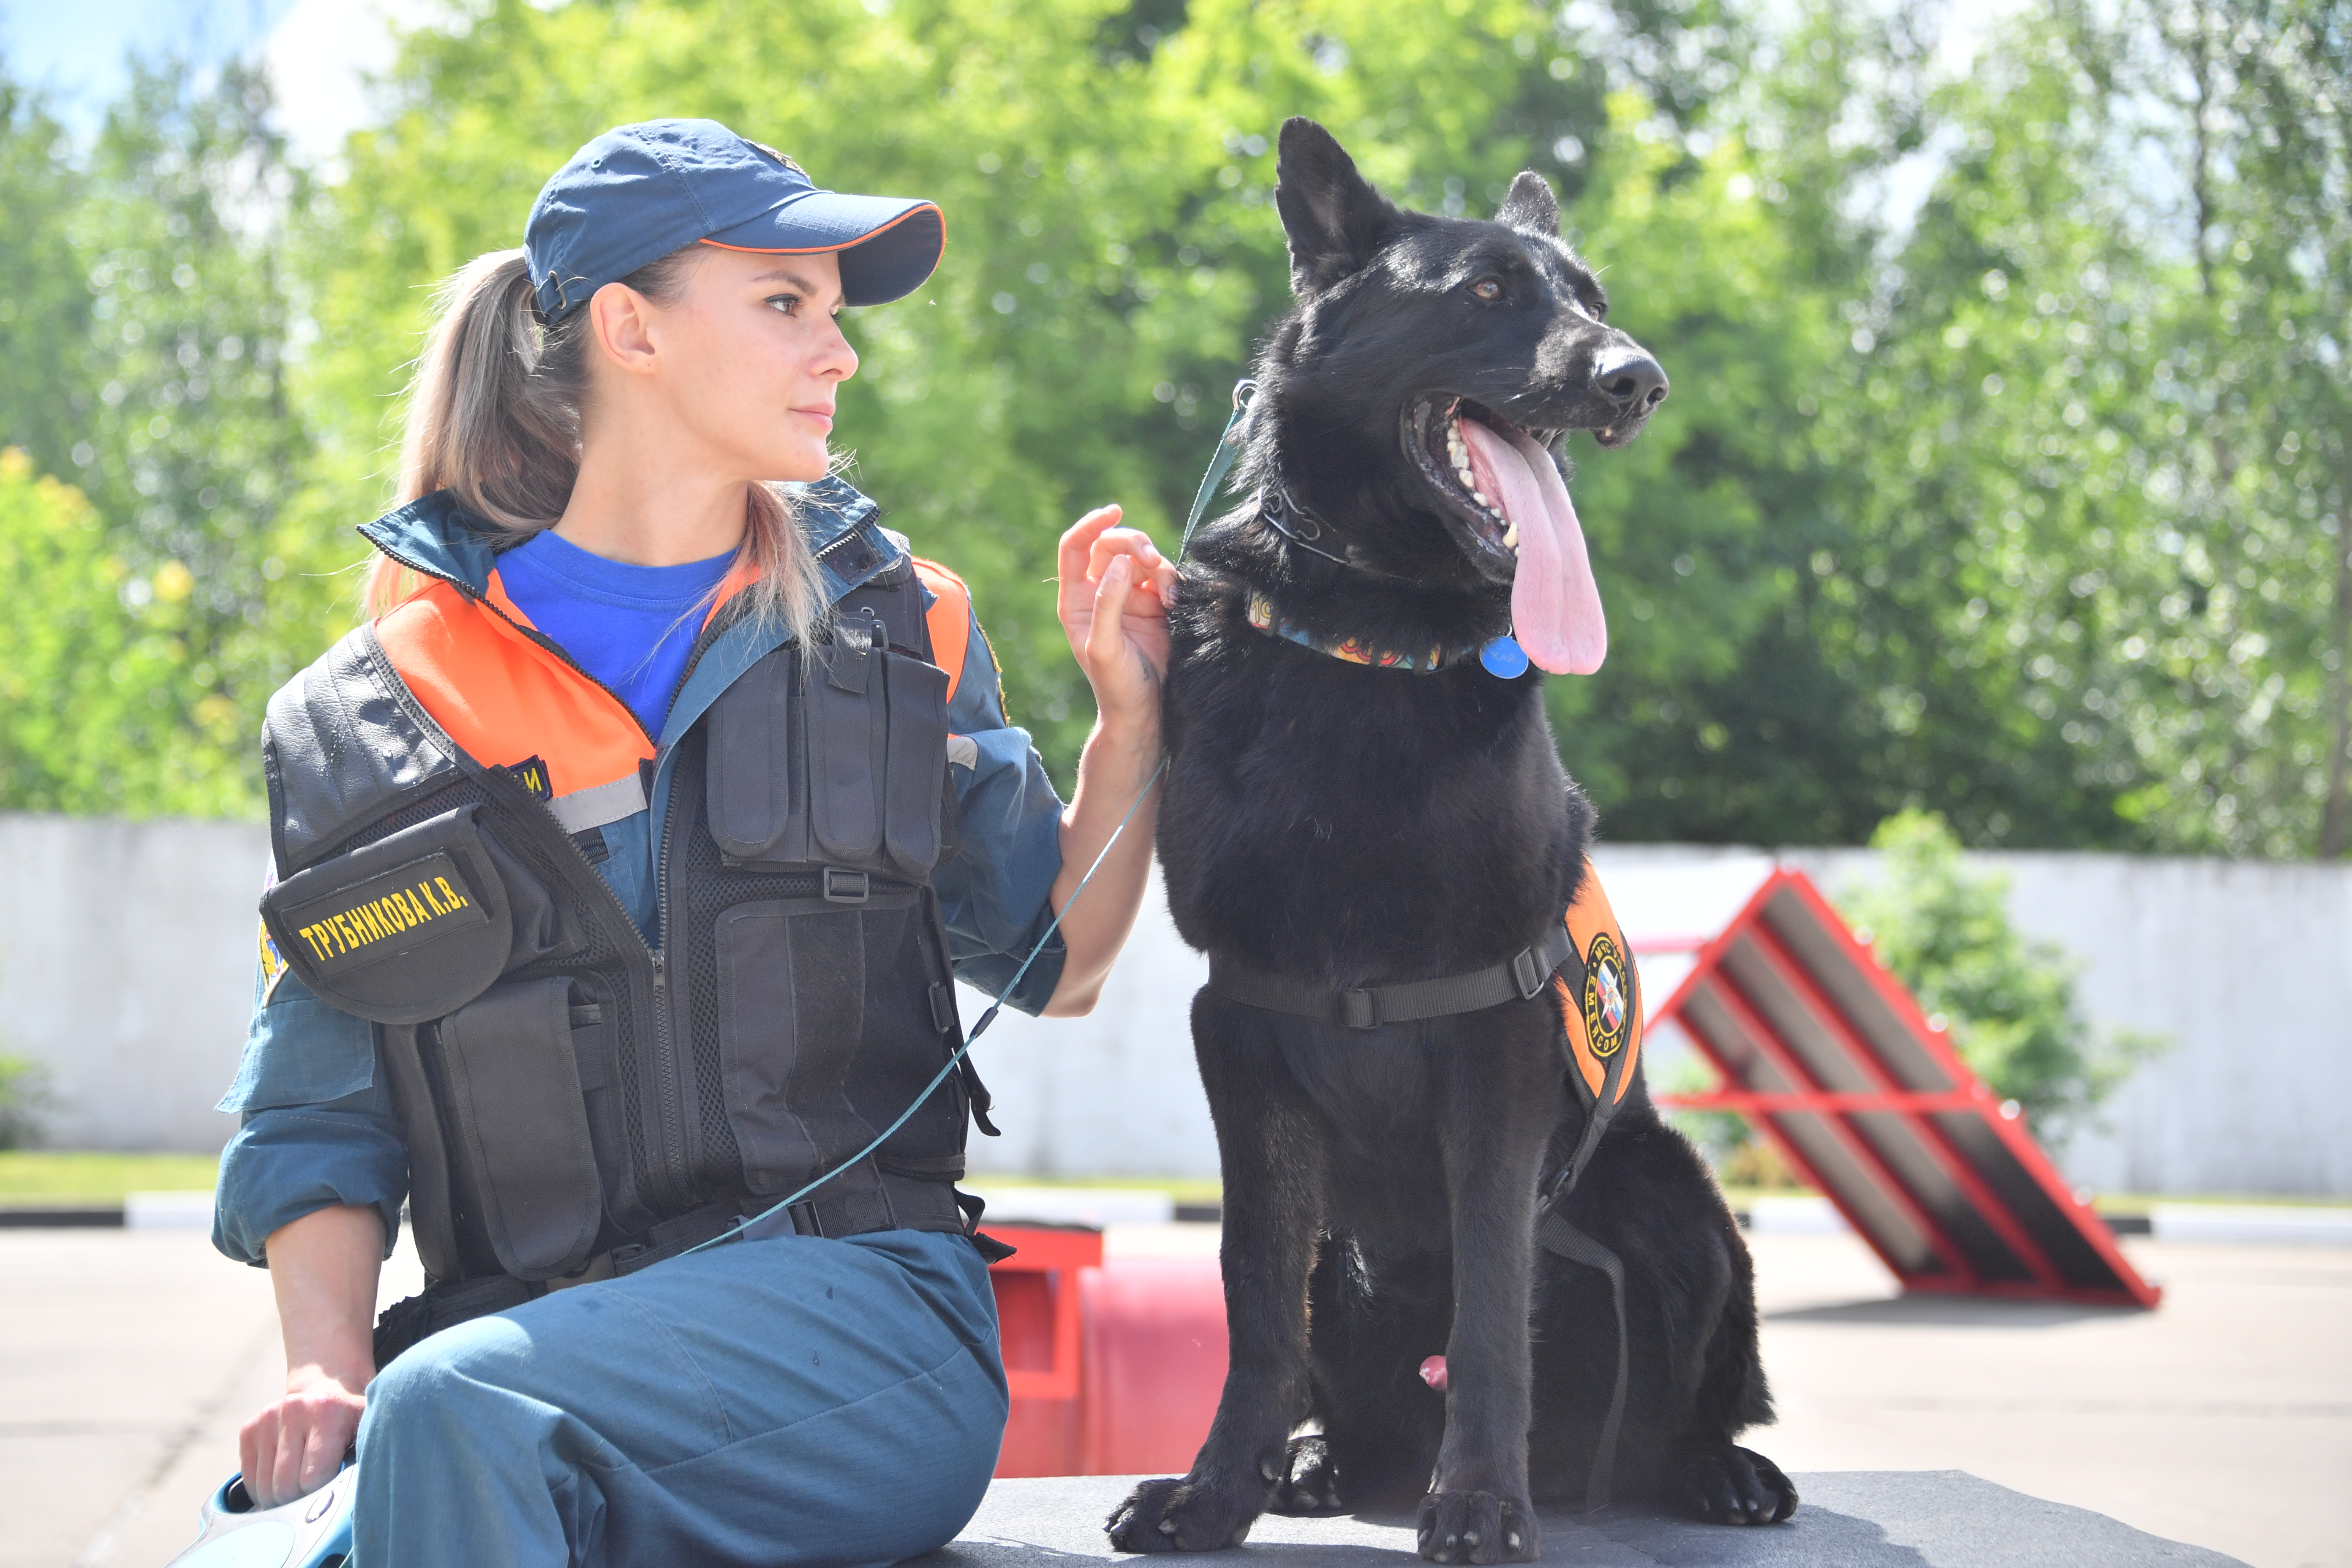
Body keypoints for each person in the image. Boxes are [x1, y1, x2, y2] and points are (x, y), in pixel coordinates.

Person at [208, 119, 1176, 1567]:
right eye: (786, 304)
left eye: (834, 317)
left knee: (460, 1412)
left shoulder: (903, 624)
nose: (836, 354)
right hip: (513, 1352)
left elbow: (1064, 958)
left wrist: (1132, 722)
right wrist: (320, 1369)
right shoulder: (372, 713)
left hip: (865, 1331)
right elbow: (321, 1109)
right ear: (629, 329)